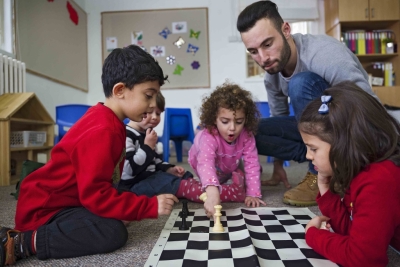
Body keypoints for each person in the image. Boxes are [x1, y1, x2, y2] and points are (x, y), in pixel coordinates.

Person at [0, 45, 179, 266]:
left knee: (118, 209)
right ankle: (23, 241)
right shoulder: (103, 130)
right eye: (148, 96)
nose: (153, 105)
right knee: (112, 232)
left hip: (71, 201)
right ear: (120, 90)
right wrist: (147, 207)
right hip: (43, 212)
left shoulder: (109, 121)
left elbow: (104, 184)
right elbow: (96, 195)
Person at [237, 0, 378, 206]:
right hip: (319, 134)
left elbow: (365, 103)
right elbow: (280, 119)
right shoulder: (272, 76)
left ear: (286, 30)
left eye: (267, 44)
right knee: (247, 131)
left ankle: (321, 174)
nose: (263, 58)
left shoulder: (323, 53)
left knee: (300, 83)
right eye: (253, 51)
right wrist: (278, 165)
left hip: (349, 127)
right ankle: (324, 162)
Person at [299, 82, 400, 267]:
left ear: (344, 143)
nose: (307, 155)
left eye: (313, 148)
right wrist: (325, 190)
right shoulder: (360, 170)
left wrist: (313, 235)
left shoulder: (379, 179)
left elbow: (363, 259)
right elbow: (352, 230)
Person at [183, 82, 266, 218]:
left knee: (256, 171)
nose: (232, 128)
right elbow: (206, 163)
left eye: (239, 122)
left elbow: (252, 163)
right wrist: (212, 191)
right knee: (204, 188)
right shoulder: (209, 136)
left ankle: (228, 184)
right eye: (225, 121)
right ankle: (223, 187)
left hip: (229, 164)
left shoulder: (247, 135)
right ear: (214, 119)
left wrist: (253, 194)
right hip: (204, 166)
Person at [118, 92, 193, 196]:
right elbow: (129, 169)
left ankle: (192, 186)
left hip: (150, 177)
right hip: (133, 185)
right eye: (149, 112)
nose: (154, 117)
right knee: (165, 182)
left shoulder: (147, 133)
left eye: (158, 113)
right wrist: (147, 146)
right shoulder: (126, 135)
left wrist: (169, 169)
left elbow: (156, 161)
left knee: (182, 175)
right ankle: (190, 189)